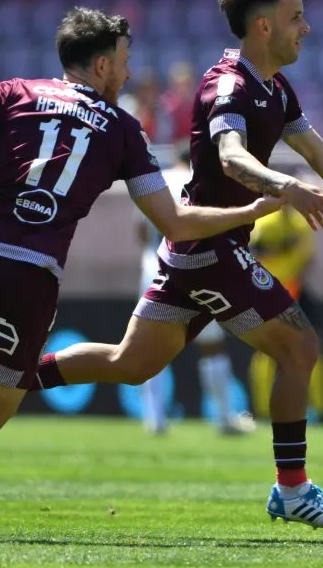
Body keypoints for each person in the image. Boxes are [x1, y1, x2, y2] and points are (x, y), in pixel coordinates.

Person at [0, 7, 285, 541]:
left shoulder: (13, 91)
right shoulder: (122, 130)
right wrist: (249, 212)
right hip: (26, 269)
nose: (129, 73)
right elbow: (174, 221)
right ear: (99, 65)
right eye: (124, 61)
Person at [24, 0, 323, 532]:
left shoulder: (274, 86)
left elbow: (322, 156)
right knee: (298, 348)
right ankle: (292, 490)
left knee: (130, 363)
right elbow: (231, 156)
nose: (307, 28)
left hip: (193, 250)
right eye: (296, 17)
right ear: (264, 27)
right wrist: (283, 185)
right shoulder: (229, 84)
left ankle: (11, 372)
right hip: (214, 249)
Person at [137, 146, 255, 436]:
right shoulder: (204, 183)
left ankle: (155, 419)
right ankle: (225, 418)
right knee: (211, 346)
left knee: (149, 346)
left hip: (156, 264)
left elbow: (141, 229)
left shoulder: (158, 179)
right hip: (195, 266)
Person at [249, 205, 323, 422]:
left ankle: (318, 409)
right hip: (269, 291)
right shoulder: (264, 221)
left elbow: (306, 259)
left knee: (312, 347)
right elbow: (254, 252)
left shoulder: (299, 223)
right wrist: (282, 249)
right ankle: (264, 410)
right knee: (267, 350)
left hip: (293, 289)